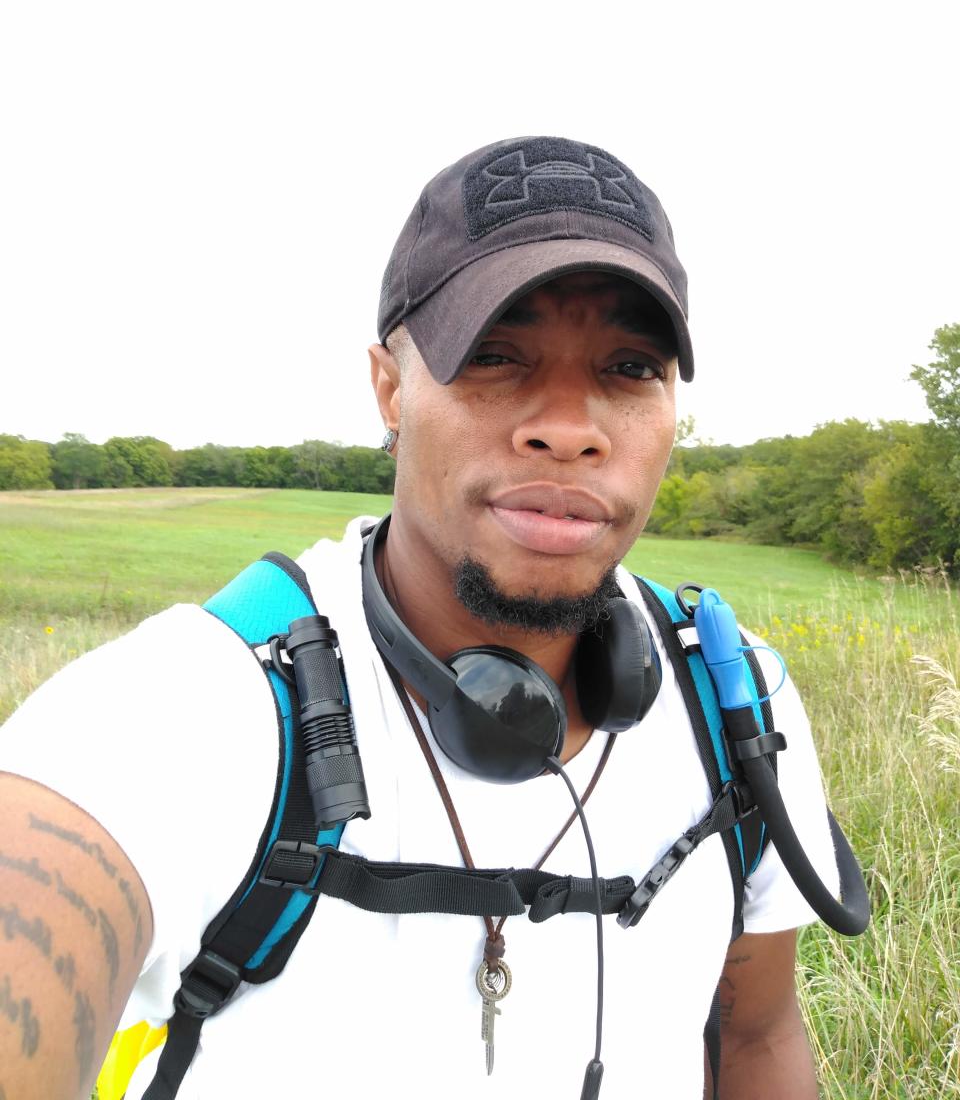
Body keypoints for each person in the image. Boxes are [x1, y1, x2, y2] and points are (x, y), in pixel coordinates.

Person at [0, 135, 841, 1100]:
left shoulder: (735, 699)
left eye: (629, 366)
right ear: (390, 388)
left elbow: (759, 1038)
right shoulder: (195, 709)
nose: (568, 426)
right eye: (494, 354)